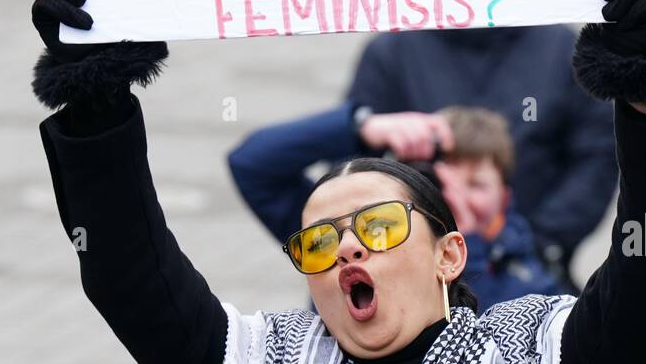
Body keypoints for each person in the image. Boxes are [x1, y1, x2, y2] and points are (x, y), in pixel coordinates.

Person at [30, 0, 646, 364]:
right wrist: (97, 102)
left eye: (379, 228)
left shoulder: (535, 360)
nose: (347, 250)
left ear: (450, 254)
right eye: (321, 243)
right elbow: (129, 275)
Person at [346, 23, 619, 295]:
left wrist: (538, 242)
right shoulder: (391, 52)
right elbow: (351, 168)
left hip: (530, 253)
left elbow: (597, 155)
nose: (456, 193)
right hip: (403, 249)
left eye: (474, 184)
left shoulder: (561, 49)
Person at [228, 103, 563, 309]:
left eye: (475, 185)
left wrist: (463, 241)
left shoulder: (529, 273)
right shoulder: (354, 237)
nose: (452, 194)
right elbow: (252, 164)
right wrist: (360, 128)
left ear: (504, 197)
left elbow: (481, 333)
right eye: (439, 181)